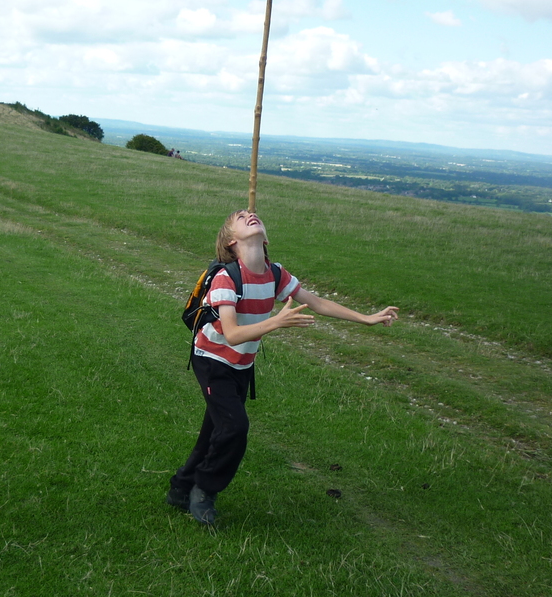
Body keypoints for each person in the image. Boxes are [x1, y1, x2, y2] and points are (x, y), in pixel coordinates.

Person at [167, 209, 398, 525]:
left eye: (253, 214)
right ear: (232, 241)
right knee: (234, 428)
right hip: (213, 361)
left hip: (241, 365)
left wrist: (366, 318)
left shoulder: (275, 275)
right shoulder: (227, 277)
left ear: (266, 239)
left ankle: (180, 488)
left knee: (217, 430)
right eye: (241, 216)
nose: (251, 214)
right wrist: (276, 322)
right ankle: (204, 490)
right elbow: (232, 334)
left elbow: (318, 303)